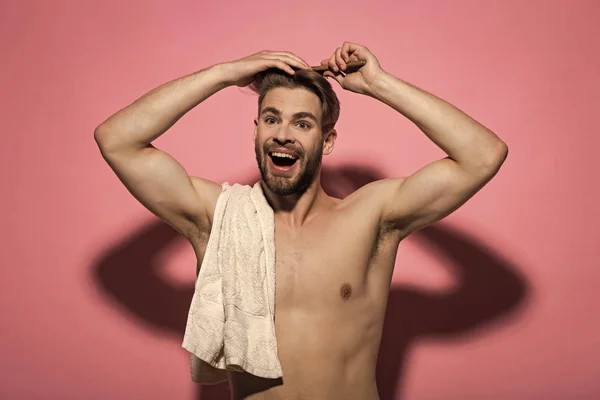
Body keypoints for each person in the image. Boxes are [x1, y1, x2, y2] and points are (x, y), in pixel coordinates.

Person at [94, 42, 508, 399]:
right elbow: (117, 140)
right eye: (272, 119)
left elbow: (482, 154)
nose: (283, 134)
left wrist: (380, 85)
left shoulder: (370, 218)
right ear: (256, 131)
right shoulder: (219, 218)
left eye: (303, 123)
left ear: (327, 141)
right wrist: (225, 74)